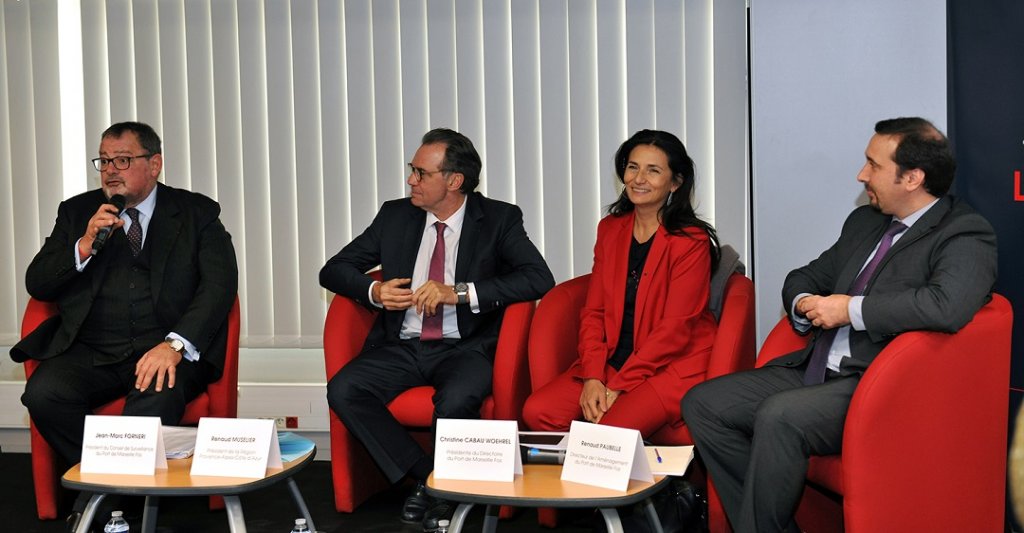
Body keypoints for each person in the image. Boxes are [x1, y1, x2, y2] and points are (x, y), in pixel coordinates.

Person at [682, 117, 997, 532]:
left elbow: (945, 306)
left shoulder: (964, 233)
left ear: (913, 178)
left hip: (876, 385)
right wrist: (805, 301)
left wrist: (849, 309)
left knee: (780, 417)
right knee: (703, 404)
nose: (861, 174)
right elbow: (806, 275)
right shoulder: (866, 222)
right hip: (815, 370)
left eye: (873, 165)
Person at [320, 128, 554, 529]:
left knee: (458, 397)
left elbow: (538, 279)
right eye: (412, 170)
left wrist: (459, 292)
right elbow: (334, 269)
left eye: (420, 173)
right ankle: (430, 479)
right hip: (402, 344)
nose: (411, 180)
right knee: (344, 389)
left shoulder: (498, 219)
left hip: (466, 346)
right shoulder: (396, 215)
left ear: (454, 181)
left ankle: (439, 489)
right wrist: (374, 291)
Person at [12, 121, 238, 528]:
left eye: (123, 160)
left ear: (154, 165)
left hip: (163, 347)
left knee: (154, 395)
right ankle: (114, 490)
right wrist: (82, 245)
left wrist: (174, 346)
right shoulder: (78, 212)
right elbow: (39, 282)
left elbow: (220, 286)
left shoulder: (196, 212)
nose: (111, 171)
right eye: (104, 161)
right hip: (93, 347)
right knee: (44, 394)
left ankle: (110, 504)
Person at [522, 129, 720, 437]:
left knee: (609, 433)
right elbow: (594, 311)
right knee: (539, 413)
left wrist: (617, 386)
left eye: (653, 170)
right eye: (633, 167)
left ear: (676, 182)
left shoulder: (690, 240)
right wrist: (592, 377)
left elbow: (675, 330)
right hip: (613, 359)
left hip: (671, 364)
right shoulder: (610, 229)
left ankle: (649, 484)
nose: (639, 178)